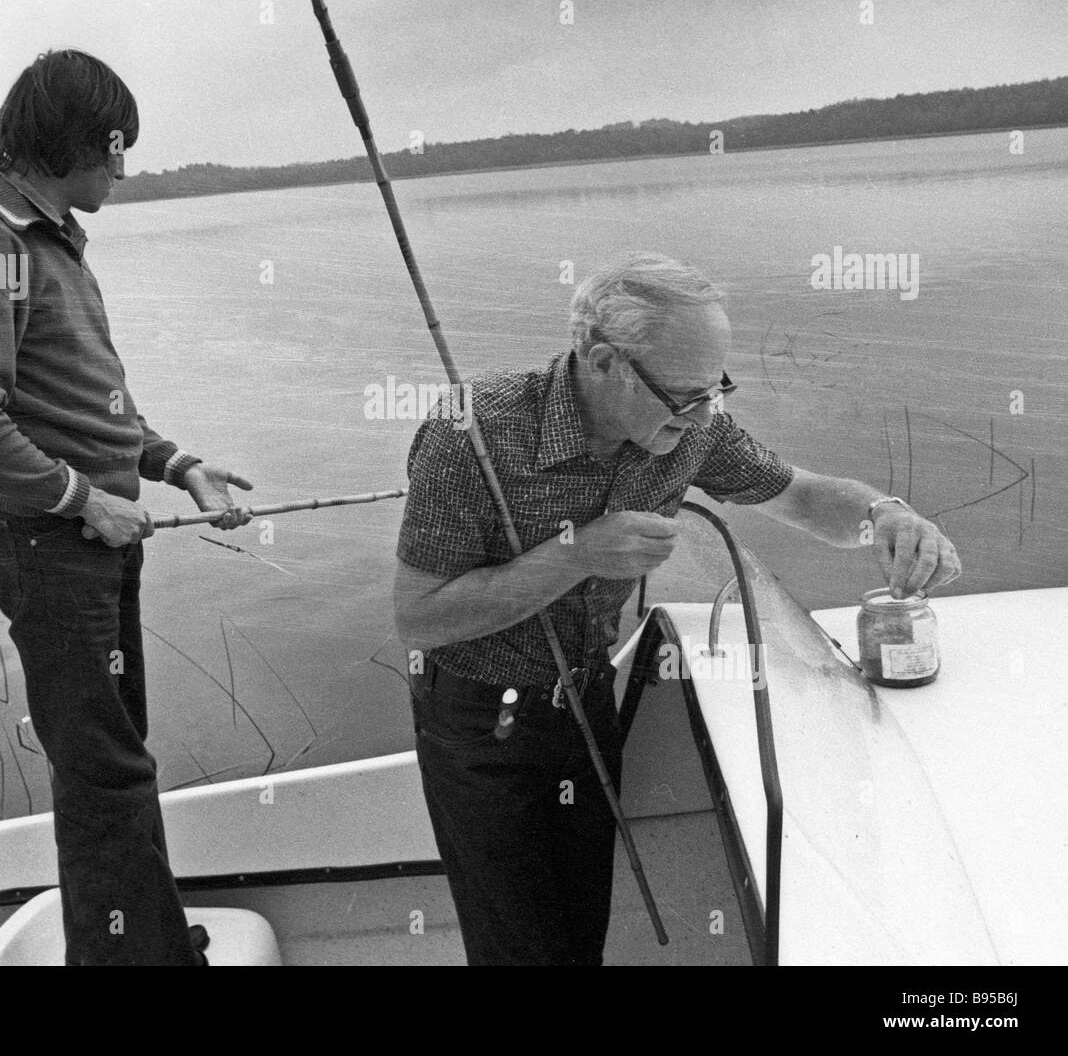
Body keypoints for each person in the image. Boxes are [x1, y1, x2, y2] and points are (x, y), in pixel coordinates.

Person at [393, 253, 960, 966]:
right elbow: (420, 616)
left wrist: (889, 516)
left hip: (587, 698)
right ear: (602, 361)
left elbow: (801, 495)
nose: (703, 413)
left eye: (714, 389)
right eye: (684, 396)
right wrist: (578, 554)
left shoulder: (693, 427)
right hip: (482, 721)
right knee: (519, 949)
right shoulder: (470, 431)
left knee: (579, 926)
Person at [0, 49, 252, 966]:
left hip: (90, 535)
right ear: (74, 141)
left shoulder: (53, 238)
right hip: (50, 542)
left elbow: (85, 399)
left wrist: (174, 463)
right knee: (105, 770)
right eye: (117, 145)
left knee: (117, 755)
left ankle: (137, 937)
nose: (124, 167)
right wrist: (83, 501)